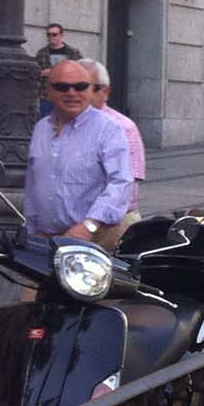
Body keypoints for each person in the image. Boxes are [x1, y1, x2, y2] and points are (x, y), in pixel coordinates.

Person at [25, 60, 134, 244]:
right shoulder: (41, 129)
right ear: (49, 91)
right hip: (46, 238)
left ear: (91, 90)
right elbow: (33, 183)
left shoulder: (108, 129)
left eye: (80, 86)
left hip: (95, 237)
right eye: (62, 87)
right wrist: (32, 229)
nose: (71, 93)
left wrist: (89, 225)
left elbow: (121, 182)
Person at [79, 58, 146, 234]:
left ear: (105, 92)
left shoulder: (123, 127)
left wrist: (91, 223)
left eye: (87, 87)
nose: (78, 93)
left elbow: (127, 187)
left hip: (111, 225)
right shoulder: (56, 126)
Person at [34, 23, 81, 118]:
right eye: (48, 35)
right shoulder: (41, 53)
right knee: (47, 122)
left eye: (54, 34)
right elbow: (34, 73)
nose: (51, 37)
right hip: (46, 96)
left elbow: (81, 72)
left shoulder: (73, 53)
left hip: (67, 95)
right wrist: (42, 73)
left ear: (61, 35)